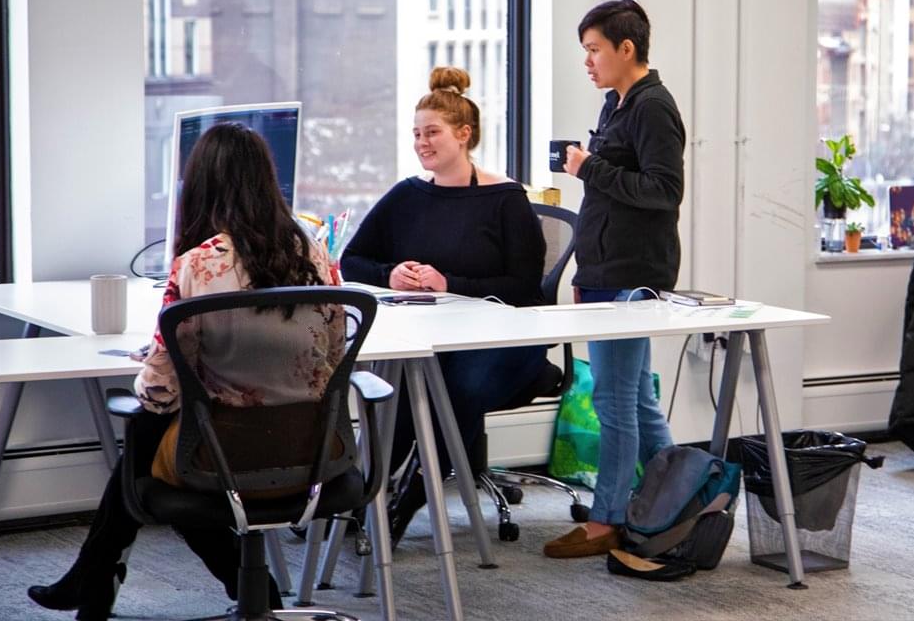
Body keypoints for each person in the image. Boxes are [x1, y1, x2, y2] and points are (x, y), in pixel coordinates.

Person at [28, 123, 341, 620]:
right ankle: (95, 576)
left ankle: (96, 574)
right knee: (163, 448)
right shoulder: (318, 255)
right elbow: (332, 355)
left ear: (201, 187)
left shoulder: (197, 266)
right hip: (315, 457)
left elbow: (156, 392)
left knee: (149, 449)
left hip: (225, 461)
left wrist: (160, 364)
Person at [340, 65, 549, 548]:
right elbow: (353, 260)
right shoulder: (406, 196)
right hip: (431, 335)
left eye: (431, 132)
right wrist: (389, 274)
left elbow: (523, 287)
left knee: (446, 387)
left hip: (504, 341)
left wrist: (449, 282)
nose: (421, 143)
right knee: (407, 383)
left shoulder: (505, 199)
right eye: (416, 134)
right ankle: (366, 494)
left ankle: (404, 497)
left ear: (464, 134)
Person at [543, 0, 685, 558]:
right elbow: (610, 195)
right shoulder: (616, 105)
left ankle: (609, 518)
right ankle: (680, 499)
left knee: (615, 399)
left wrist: (590, 167)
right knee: (637, 402)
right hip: (605, 271)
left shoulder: (653, 108)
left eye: (594, 49)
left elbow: (663, 191)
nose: (588, 61)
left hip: (634, 275)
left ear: (627, 49)